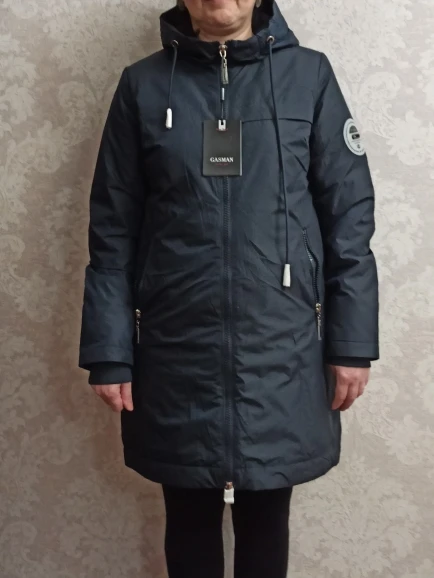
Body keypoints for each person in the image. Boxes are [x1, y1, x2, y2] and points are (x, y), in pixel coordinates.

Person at [79, 0, 379, 576]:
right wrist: (108, 352)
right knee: (187, 515)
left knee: (267, 515)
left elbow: (349, 219)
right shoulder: (142, 85)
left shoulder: (309, 76)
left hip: (283, 346)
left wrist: (351, 344)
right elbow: (112, 228)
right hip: (174, 349)